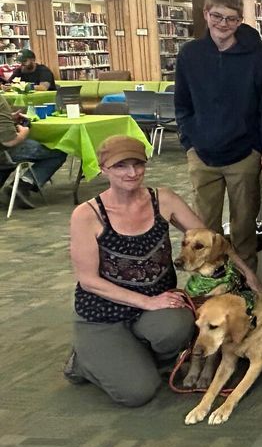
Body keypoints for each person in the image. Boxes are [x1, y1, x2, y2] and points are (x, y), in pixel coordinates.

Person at [65, 136, 201, 406]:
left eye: (138, 164)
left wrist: (251, 279)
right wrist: (148, 302)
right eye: (121, 166)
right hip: (103, 314)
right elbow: (89, 281)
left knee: (179, 325)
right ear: (103, 169)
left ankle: (131, 355)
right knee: (138, 392)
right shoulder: (86, 214)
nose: (132, 173)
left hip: (153, 308)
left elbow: (208, 239)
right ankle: (83, 361)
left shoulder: (164, 199)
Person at [174, 0, 262, 268]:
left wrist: (258, 148)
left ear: (240, 20)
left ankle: (245, 296)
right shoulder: (190, 55)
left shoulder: (258, 56)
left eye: (231, 18)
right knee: (204, 233)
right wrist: (188, 142)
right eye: (217, 16)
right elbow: (182, 103)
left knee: (244, 232)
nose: (223, 24)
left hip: (244, 155)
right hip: (202, 154)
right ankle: (210, 296)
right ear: (206, 14)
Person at [0, 94, 66, 205]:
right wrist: (24, 133)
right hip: (4, 153)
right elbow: (9, 142)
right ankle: (24, 185)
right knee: (59, 150)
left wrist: (8, 117)